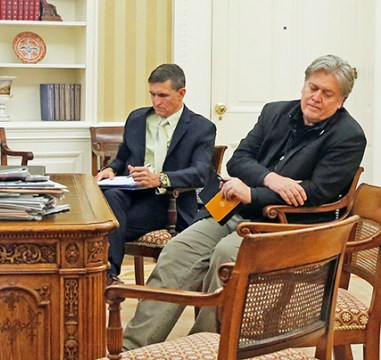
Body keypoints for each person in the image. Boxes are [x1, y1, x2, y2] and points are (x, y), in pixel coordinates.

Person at [122, 54, 367, 351]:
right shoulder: (275, 112)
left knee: (226, 256)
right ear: (304, 85)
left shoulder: (349, 136)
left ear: (341, 100)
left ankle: (207, 349)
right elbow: (239, 160)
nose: (315, 97)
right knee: (177, 251)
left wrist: (254, 193)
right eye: (312, 87)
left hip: (293, 229)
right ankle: (131, 349)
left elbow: (317, 193)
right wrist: (271, 179)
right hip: (237, 214)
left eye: (327, 93)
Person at [95, 63, 217, 285]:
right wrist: (109, 170)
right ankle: (108, 277)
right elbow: (122, 157)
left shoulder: (202, 128)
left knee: (105, 227)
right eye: (152, 94)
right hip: (130, 193)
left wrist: (160, 178)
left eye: (163, 95)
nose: (155, 102)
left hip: (168, 201)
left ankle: (106, 275)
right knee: (110, 201)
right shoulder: (137, 119)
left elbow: (199, 173)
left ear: (181, 94)